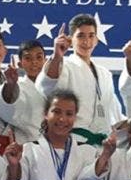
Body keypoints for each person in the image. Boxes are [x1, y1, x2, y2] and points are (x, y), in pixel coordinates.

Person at [37, 14, 123, 145]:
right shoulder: (64, 65)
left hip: (101, 143)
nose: (86, 41)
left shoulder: (105, 74)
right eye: (80, 36)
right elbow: (48, 85)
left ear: (97, 40)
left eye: (91, 36)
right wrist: (57, 56)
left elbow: (114, 114)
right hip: (72, 140)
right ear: (71, 40)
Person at [0, 40, 47, 144]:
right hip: (26, 145)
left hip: (52, 146)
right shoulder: (18, 86)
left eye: (39, 57)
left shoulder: (54, 84)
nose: (34, 62)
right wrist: (10, 84)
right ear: (20, 64)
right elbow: (8, 106)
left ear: (45, 61)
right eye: (28, 58)